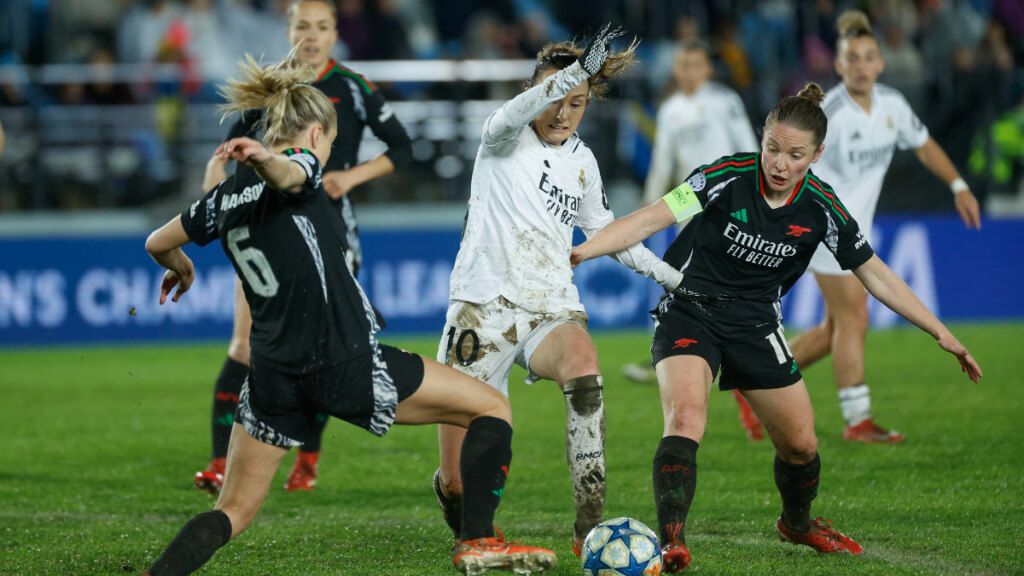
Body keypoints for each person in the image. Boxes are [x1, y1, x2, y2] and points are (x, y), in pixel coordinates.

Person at [143, 51, 555, 576]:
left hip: (273, 379)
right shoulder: (303, 163)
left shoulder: (222, 198)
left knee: (233, 510)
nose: (329, 150)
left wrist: (179, 262)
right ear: (316, 134)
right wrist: (265, 159)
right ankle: (477, 540)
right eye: (331, 142)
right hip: (343, 362)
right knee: (491, 409)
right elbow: (291, 173)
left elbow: (159, 240)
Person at [570, 83, 982, 572]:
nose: (780, 164)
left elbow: (874, 272)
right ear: (761, 138)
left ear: (816, 154)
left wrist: (940, 331)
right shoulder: (723, 176)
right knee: (685, 419)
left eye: (795, 154)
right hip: (690, 310)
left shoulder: (823, 207)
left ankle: (797, 523)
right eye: (772, 148)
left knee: (802, 446)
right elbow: (649, 220)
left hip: (757, 323)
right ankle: (672, 541)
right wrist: (582, 250)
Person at [432, 25, 684, 557]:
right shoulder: (502, 136)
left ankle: (588, 529)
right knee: (455, 480)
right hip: (482, 311)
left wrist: (674, 278)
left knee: (585, 369)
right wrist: (574, 72)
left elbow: (608, 234)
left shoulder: (582, 163)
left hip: (550, 305)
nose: (565, 112)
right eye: (557, 98)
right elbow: (522, 110)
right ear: (533, 94)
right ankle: (466, 518)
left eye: (579, 102)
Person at [732, 10, 982, 444]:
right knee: (854, 319)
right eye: (853, 58)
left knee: (834, 331)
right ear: (839, 65)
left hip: (854, 230)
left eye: (869, 57)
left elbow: (924, 148)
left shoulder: (893, 106)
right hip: (825, 230)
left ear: (881, 63)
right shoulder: (829, 115)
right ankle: (858, 420)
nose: (862, 66)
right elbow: (792, 168)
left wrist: (958, 184)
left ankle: (749, 380)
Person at [194, 0, 413, 494]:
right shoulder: (273, 91)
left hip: (332, 234)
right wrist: (214, 203)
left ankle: (308, 458)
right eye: (302, 26)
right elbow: (223, 155)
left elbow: (403, 147)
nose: (311, 36)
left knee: (329, 349)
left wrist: (348, 177)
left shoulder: (353, 88)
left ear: (336, 33)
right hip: (268, 232)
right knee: (243, 345)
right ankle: (218, 462)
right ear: (288, 30)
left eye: (321, 26)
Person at [621, 39, 763, 440]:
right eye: (682, 64)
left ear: (707, 69)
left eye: (695, 64)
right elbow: (663, 162)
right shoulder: (669, 110)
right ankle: (674, 355)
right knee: (688, 291)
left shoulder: (725, 101)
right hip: (689, 209)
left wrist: (754, 203)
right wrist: (648, 214)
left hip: (730, 207)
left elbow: (750, 151)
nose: (688, 71)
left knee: (727, 298)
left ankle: (727, 376)